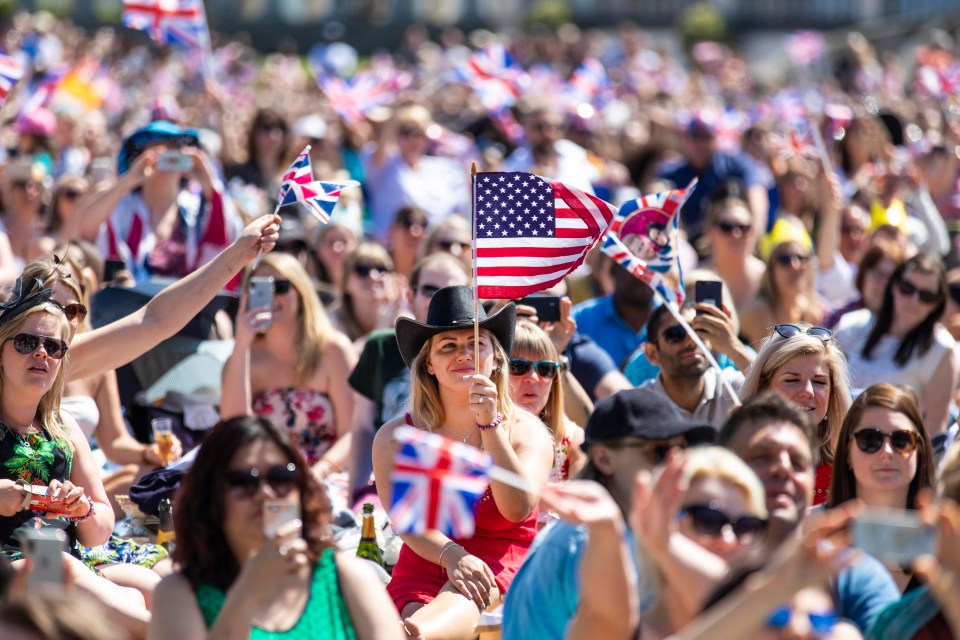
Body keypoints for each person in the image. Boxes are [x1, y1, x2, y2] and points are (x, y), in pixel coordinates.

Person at [372, 285, 554, 640]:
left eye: (476, 343)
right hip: (426, 559)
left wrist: (490, 425)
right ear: (429, 364)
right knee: (411, 611)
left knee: (433, 618)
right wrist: (452, 555)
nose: (464, 354)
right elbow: (407, 523)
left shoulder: (527, 431)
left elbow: (517, 509)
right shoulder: (395, 436)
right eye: (449, 346)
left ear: (496, 357)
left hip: (498, 566)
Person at [149, 415, 403, 639]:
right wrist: (246, 594)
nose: (265, 493)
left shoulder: (344, 577)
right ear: (209, 496)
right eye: (243, 481)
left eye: (281, 477)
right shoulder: (179, 594)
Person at [503, 387, 718, 640]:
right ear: (604, 459)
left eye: (682, 453)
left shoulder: (605, 532)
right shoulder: (591, 541)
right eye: (659, 453)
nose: (675, 467)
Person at [0, 280, 150, 637]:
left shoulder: (62, 425)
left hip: (66, 561)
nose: (41, 353)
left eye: (53, 346)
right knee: (65, 568)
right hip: (12, 569)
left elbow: (99, 532)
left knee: (146, 583)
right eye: (26, 342)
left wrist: (79, 508)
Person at [718, 393, 901, 632]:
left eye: (798, 462)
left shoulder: (853, 574)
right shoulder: (693, 564)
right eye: (762, 456)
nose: (783, 468)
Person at [220, 252, 357, 479]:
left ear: (301, 293)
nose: (271, 296)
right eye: (259, 287)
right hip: (263, 477)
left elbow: (352, 433)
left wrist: (318, 474)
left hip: (328, 475)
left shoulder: (334, 350)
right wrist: (242, 341)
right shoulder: (243, 358)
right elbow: (234, 429)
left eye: (281, 286)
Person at [348, 253, 469, 502]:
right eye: (430, 290)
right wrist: (357, 493)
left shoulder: (477, 354)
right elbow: (362, 427)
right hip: (384, 479)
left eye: (451, 291)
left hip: (456, 483)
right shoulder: (380, 346)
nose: (440, 300)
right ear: (410, 296)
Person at [75, 120, 240, 283]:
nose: (165, 159)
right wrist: (127, 181)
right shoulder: (124, 208)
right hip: (132, 305)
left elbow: (231, 234)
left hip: (188, 304)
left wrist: (208, 183)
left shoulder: (196, 209)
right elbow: (86, 228)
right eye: (156, 153)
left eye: (172, 153)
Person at [834, 253, 959, 439]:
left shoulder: (941, 349)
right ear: (893, 285)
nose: (913, 300)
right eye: (907, 288)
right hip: (837, 441)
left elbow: (935, 433)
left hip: (892, 452)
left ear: (937, 303)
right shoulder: (851, 326)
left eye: (926, 296)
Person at [827, 383, 936, 590]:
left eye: (902, 440)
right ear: (847, 452)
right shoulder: (812, 535)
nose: (886, 452)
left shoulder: (947, 541)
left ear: (920, 451)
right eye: (870, 439)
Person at [739, 322, 852, 506]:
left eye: (819, 382)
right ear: (763, 389)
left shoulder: (850, 467)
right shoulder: (736, 462)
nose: (808, 391)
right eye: (791, 380)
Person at [656, 114, 769, 244]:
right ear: (685, 139)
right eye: (695, 137)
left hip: (730, 238)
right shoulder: (670, 172)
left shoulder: (735, 165)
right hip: (684, 244)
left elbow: (757, 195)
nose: (700, 144)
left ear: (716, 138)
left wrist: (753, 236)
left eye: (706, 137)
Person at [364, 104, 469, 244]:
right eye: (406, 132)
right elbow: (377, 156)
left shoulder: (445, 168)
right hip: (393, 250)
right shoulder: (384, 165)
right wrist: (396, 111)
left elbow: (459, 213)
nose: (413, 138)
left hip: (436, 247)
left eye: (419, 133)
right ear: (395, 135)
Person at [639, 302, 749, 428]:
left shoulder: (734, 390)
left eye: (700, 331)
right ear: (652, 353)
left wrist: (733, 347)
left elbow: (772, 389)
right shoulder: (638, 407)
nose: (692, 341)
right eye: (676, 333)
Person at [508, 320, 586, 492]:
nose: (534, 378)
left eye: (545, 369)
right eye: (518, 366)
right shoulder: (474, 435)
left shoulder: (573, 443)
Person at [740, 220, 826, 346]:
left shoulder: (815, 309)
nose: (794, 265)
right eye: (785, 259)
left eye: (801, 258)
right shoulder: (758, 312)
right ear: (771, 269)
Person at [329, 241, 405, 348]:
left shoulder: (403, 321)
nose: (373, 276)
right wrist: (380, 330)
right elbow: (346, 362)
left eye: (381, 269)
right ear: (345, 283)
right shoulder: (332, 321)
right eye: (362, 270)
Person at [696, 196, 765, 308]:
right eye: (726, 227)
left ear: (753, 233)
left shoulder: (768, 279)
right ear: (710, 232)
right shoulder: (696, 280)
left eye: (743, 228)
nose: (736, 234)